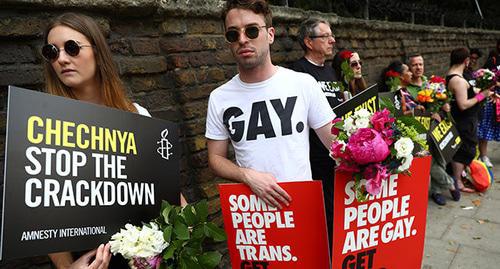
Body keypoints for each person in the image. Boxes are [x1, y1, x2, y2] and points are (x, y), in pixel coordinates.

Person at [42, 12, 187, 269]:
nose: (62, 59)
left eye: (72, 48)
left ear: (97, 51)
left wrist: (189, 236)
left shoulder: (137, 114)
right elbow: (44, 215)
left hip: (150, 258)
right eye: (52, 52)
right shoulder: (47, 128)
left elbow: (166, 192)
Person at [206, 0, 335, 211]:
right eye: (233, 34)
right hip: (254, 217)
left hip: (302, 206)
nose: (242, 39)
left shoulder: (302, 84)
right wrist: (247, 175)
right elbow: (215, 157)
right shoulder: (219, 97)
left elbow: (334, 141)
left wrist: (377, 151)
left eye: (252, 31)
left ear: (271, 35)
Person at [289, 17, 338, 248]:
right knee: (325, 212)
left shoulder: (330, 71)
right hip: (315, 156)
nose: (332, 40)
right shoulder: (298, 73)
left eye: (331, 35)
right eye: (325, 36)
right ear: (309, 42)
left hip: (336, 152)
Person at [447, 48, 494, 198]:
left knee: (465, 148)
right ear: (465, 60)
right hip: (464, 120)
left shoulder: (454, 75)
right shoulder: (458, 80)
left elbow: (467, 91)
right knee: (466, 150)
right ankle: (458, 181)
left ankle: (459, 177)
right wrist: (482, 96)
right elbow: (464, 104)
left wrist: (483, 90)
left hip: (464, 119)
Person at [477, 42, 500, 168]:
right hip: (493, 98)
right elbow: (483, 77)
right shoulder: (493, 60)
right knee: (486, 125)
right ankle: (483, 155)